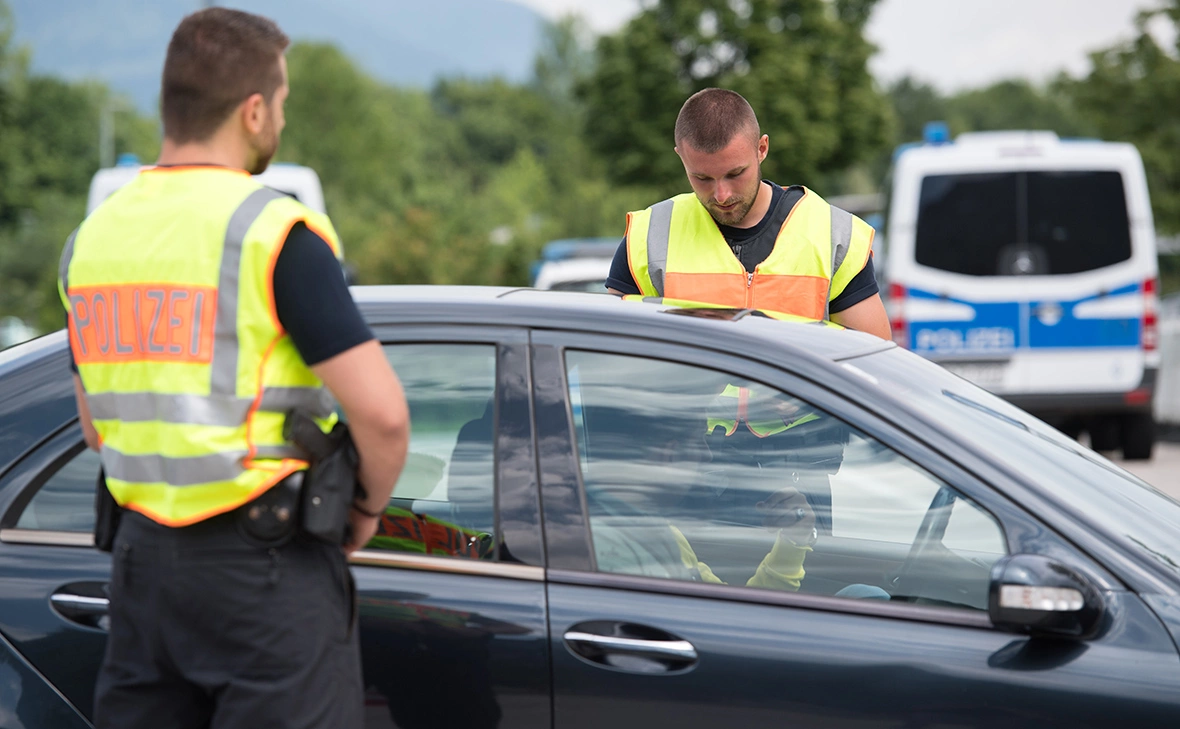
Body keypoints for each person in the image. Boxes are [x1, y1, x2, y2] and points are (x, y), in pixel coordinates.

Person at [57, 9, 410, 729]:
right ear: (253, 111)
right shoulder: (273, 230)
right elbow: (384, 415)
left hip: (140, 570)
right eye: (278, 105)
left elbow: (95, 427)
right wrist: (366, 512)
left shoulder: (91, 240)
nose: (278, 119)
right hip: (265, 575)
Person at [606, 88, 891, 340]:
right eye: (702, 178)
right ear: (680, 155)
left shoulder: (833, 235)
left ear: (762, 148)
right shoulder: (648, 238)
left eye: (735, 173)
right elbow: (610, 358)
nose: (721, 195)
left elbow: (874, 366)